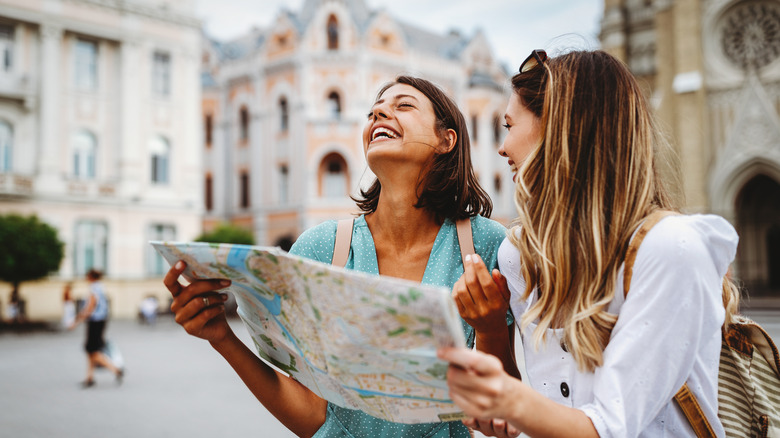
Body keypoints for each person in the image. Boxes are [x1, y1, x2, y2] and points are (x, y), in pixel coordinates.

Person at [163, 75, 510, 438]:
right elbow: (313, 415)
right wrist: (222, 337)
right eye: (374, 110)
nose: (378, 113)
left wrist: (489, 330)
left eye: (402, 105)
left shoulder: (485, 245)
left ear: (446, 140)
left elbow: (505, 408)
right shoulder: (320, 247)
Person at [439, 50, 740, 437]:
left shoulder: (669, 248)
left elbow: (609, 428)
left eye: (510, 126)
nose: (502, 148)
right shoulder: (518, 254)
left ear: (561, 130)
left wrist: (505, 398)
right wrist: (491, 328)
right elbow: (522, 420)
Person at [70, 269, 124, 388]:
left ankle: (116, 370)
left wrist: (77, 321)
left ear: (90, 277)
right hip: (100, 321)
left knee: (92, 350)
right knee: (91, 350)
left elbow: (90, 307)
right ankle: (89, 377)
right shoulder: (101, 287)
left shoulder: (94, 288)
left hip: (95, 322)